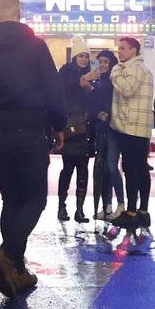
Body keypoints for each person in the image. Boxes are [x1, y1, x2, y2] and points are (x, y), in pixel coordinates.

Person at [0, 0, 66, 296]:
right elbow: (52, 87)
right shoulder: (35, 46)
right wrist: (59, 124)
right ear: (19, 12)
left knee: (12, 200)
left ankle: (15, 272)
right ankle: (7, 255)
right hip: (31, 129)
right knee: (35, 199)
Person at [108, 35, 155, 229]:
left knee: (132, 170)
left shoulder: (132, 68)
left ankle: (132, 212)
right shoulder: (143, 69)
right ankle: (143, 211)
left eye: (124, 48)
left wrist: (115, 72)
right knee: (141, 169)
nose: (120, 51)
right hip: (139, 127)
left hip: (131, 126)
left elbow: (127, 90)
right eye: (119, 48)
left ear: (134, 51)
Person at [58, 50, 94, 222]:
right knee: (68, 168)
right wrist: (79, 84)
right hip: (71, 127)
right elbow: (62, 95)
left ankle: (80, 210)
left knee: (83, 169)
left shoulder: (91, 74)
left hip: (85, 127)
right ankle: (61, 207)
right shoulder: (66, 72)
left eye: (86, 56)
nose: (84, 59)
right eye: (81, 56)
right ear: (74, 57)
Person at [84, 49, 117, 217]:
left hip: (111, 130)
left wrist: (108, 114)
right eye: (101, 61)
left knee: (110, 168)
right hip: (99, 129)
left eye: (106, 62)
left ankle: (109, 206)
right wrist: (97, 113)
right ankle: (104, 207)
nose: (103, 65)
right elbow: (91, 104)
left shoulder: (114, 81)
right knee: (100, 168)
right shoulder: (98, 82)